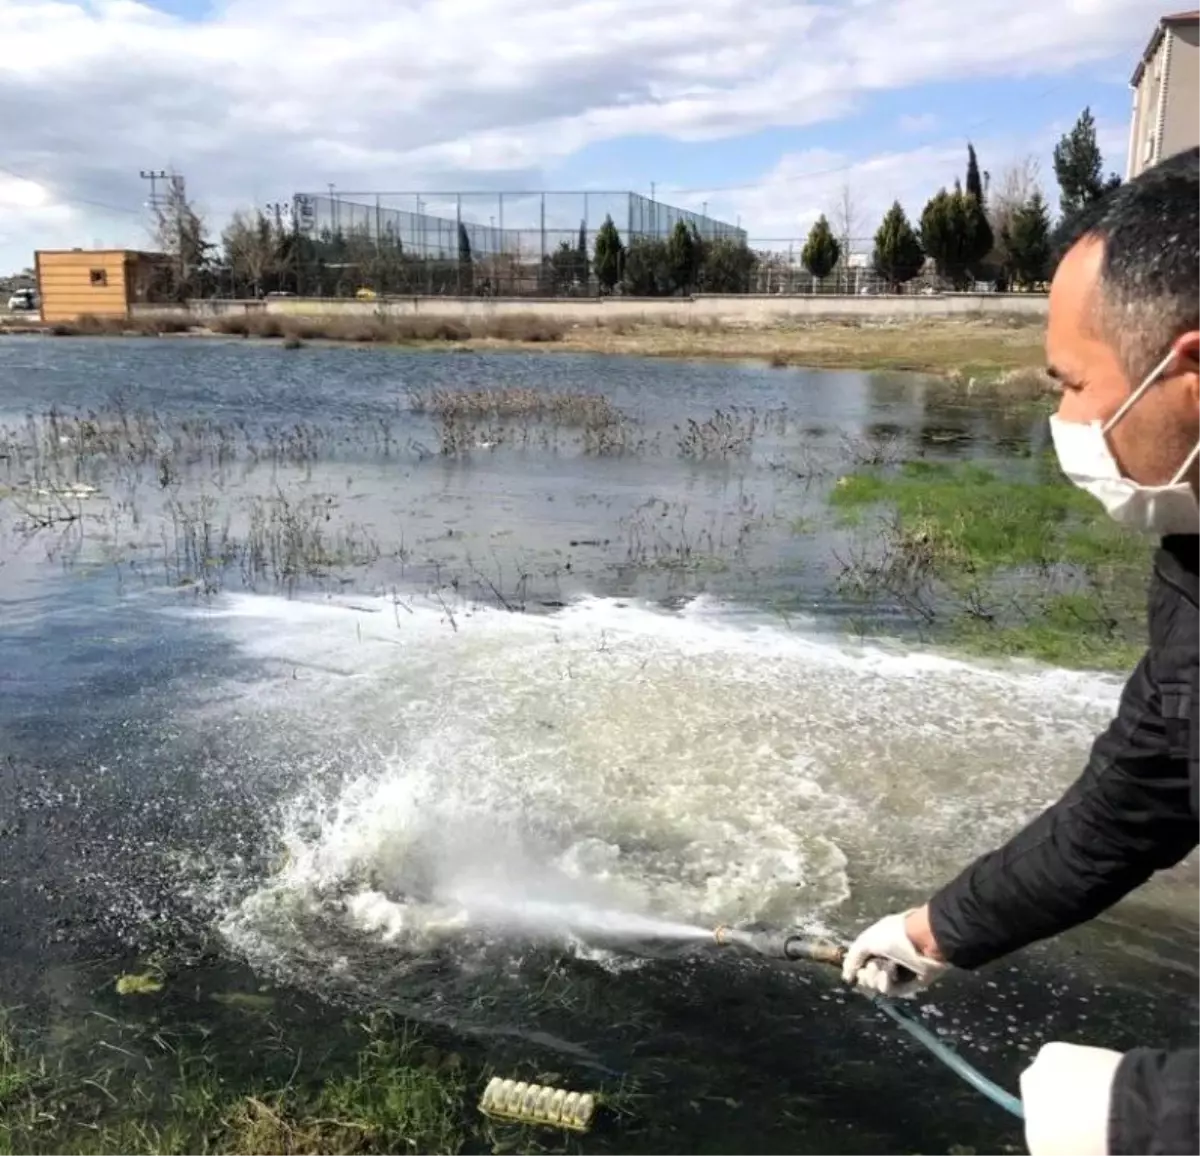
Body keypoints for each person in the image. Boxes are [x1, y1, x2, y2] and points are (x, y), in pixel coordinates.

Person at [841, 144, 1200, 1156]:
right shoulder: (1193, 557)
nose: (1064, 421)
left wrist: (1151, 1117)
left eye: (1073, 383)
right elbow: (1135, 798)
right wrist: (935, 929)